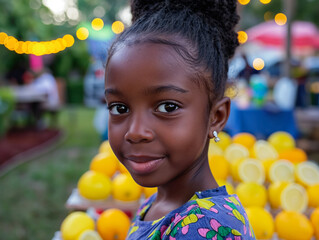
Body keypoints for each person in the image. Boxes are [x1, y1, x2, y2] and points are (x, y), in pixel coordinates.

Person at [104, 0, 256, 239]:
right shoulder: (160, 203)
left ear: (216, 117)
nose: (135, 132)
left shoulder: (204, 228)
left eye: (167, 106)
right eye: (120, 108)